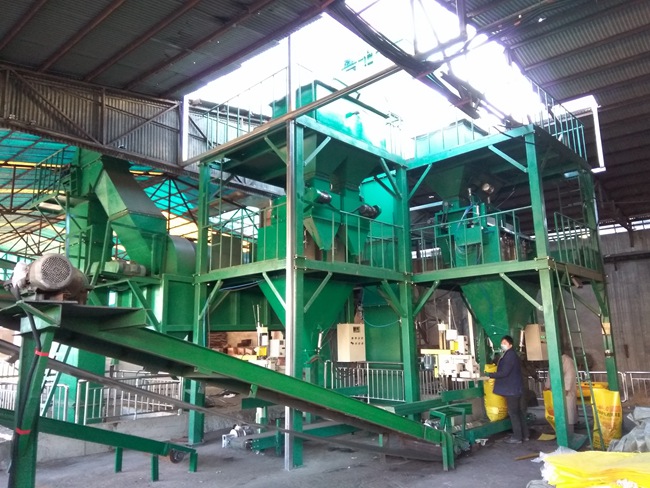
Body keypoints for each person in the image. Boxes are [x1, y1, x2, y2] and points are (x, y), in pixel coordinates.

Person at [488, 335, 530, 444]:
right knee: (520, 412)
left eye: (505, 343)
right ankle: (525, 435)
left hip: (512, 390)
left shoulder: (509, 356)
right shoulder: (511, 354)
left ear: (510, 345)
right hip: (517, 388)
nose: (502, 345)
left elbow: (505, 372)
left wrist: (490, 375)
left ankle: (517, 437)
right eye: (502, 343)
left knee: (513, 413)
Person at [545, 353, 578, 433]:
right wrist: (547, 386)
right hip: (556, 390)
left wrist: (566, 389)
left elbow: (570, 376)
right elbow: (550, 374)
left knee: (568, 414)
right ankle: (559, 431)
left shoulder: (568, 361)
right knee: (557, 413)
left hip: (566, 392)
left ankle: (569, 433)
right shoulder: (554, 360)